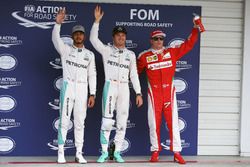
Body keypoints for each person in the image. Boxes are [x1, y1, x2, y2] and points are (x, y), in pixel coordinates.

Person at [137, 16, 203, 164]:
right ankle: (155, 151)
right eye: (156, 39)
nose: (159, 41)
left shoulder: (172, 52)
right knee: (154, 123)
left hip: (169, 94)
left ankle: (177, 152)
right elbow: (134, 73)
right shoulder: (144, 56)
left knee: (173, 123)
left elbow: (189, 44)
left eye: (161, 38)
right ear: (151, 40)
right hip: (154, 94)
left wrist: (195, 28)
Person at [90, 5, 143, 163]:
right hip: (110, 86)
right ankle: (105, 152)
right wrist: (96, 22)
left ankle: (118, 151)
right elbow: (93, 39)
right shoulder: (107, 50)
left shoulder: (130, 55)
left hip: (125, 88)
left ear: (125, 37)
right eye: (118, 35)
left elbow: (133, 75)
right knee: (107, 121)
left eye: (123, 35)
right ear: (113, 37)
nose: (121, 37)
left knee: (122, 121)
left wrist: (138, 93)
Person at [52, 8, 97, 164]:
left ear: (84, 36)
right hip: (68, 87)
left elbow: (92, 75)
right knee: (64, 121)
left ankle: (79, 153)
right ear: (72, 36)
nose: (78, 36)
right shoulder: (65, 50)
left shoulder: (89, 55)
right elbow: (56, 39)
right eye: (76, 33)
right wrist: (58, 24)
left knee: (80, 122)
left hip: (83, 90)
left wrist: (93, 94)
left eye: (81, 33)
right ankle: (61, 152)